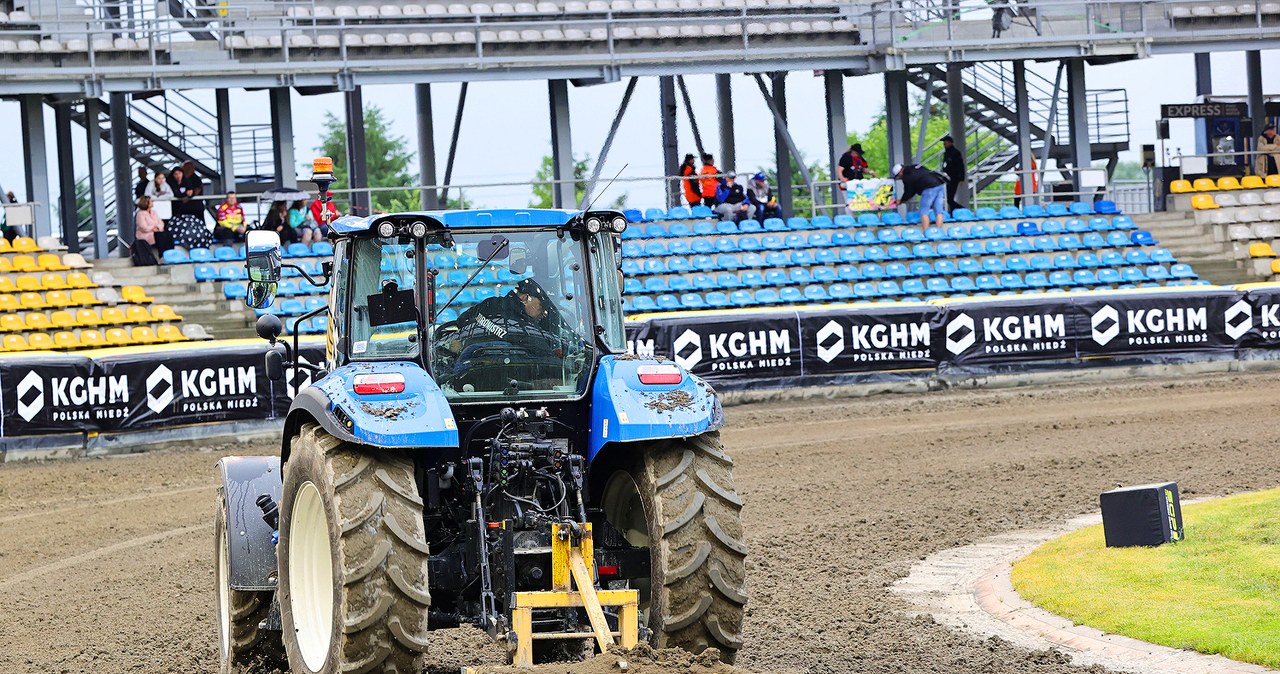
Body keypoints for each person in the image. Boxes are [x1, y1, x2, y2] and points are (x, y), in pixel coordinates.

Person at [434, 278, 580, 391]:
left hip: (465, 378)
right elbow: (544, 355)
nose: (544, 313)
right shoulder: (524, 327)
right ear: (526, 298)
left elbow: (461, 322)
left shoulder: (489, 304)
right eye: (542, 306)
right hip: (499, 379)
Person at [893, 163, 948, 227]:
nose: (900, 177)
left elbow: (908, 192)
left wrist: (901, 200)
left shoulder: (906, 177)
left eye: (898, 176)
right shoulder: (915, 166)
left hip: (929, 188)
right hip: (939, 184)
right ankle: (939, 230)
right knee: (938, 211)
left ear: (900, 172)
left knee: (923, 212)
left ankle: (926, 231)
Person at [940, 135, 967, 211]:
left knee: (949, 198)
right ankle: (953, 212)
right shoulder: (946, 153)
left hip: (954, 178)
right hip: (947, 178)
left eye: (946, 142)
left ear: (950, 143)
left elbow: (960, 166)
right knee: (948, 198)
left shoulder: (955, 153)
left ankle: (962, 210)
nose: (944, 144)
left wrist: (961, 178)